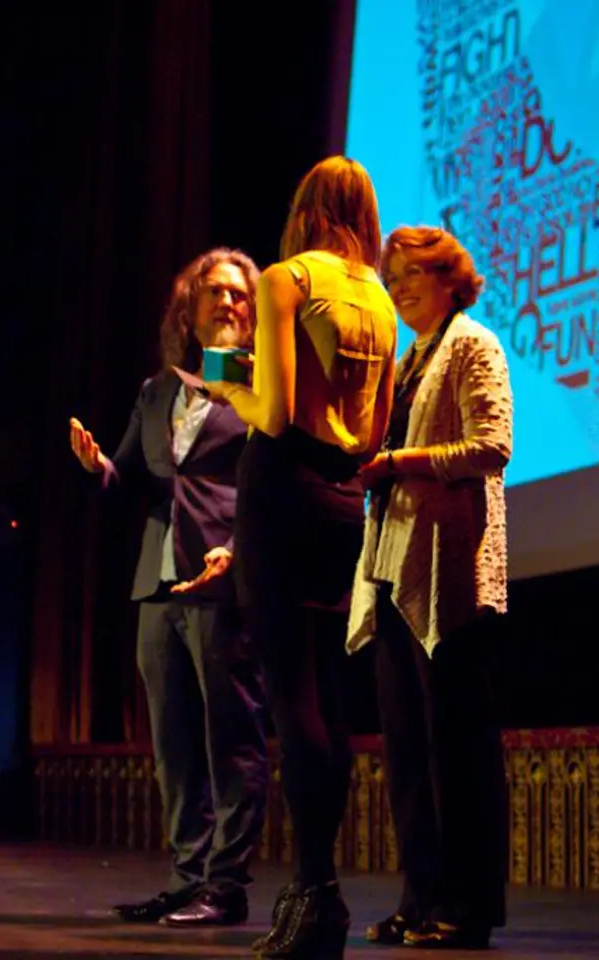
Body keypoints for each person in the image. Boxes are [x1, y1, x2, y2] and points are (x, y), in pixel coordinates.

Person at [202, 156, 397, 960]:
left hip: (282, 493)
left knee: (291, 702)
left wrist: (230, 392)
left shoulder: (287, 278)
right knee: (330, 704)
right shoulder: (383, 303)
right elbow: (379, 433)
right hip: (345, 502)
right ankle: (318, 895)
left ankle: (315, 894)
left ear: (305, 210)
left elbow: (275, 414)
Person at [68, 248, 268, 928]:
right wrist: (97, 466)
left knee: (232, 738)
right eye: (217, 292)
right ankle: (188, 879)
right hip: (158, 582)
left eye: (242, 294)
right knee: (174, 743)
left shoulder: (261, 385)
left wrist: (239, 552)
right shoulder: (159, 391)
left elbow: (269, 489)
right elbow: (128, 479)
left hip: (221, 576)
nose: (230, 303)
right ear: (190, 307)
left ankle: (227, 884)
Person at [348, 225, 513, 949]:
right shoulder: (408, 358)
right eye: (393, 278)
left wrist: (402, 462)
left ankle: (466, 906)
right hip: (393, 567)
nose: (400, 286)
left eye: (414, 272)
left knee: (458, 752)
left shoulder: (473, 343)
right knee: (408, 753)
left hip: (446, 570)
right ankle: (419, 898)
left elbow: (492, 446)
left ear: (451, 276)